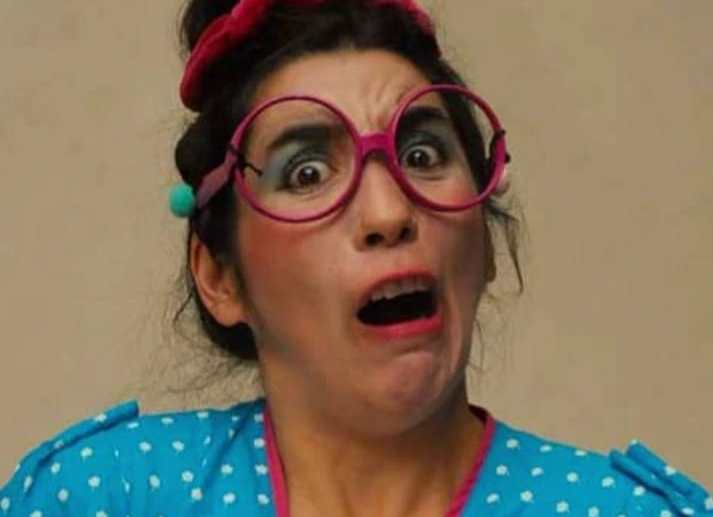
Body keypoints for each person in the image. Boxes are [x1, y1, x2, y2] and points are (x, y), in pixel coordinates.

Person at [1, 0, 711, 515]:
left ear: (485, 239)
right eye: (306, 172)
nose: (388, 213)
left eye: (422, 154)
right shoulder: (103, 496)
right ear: (219, 276)